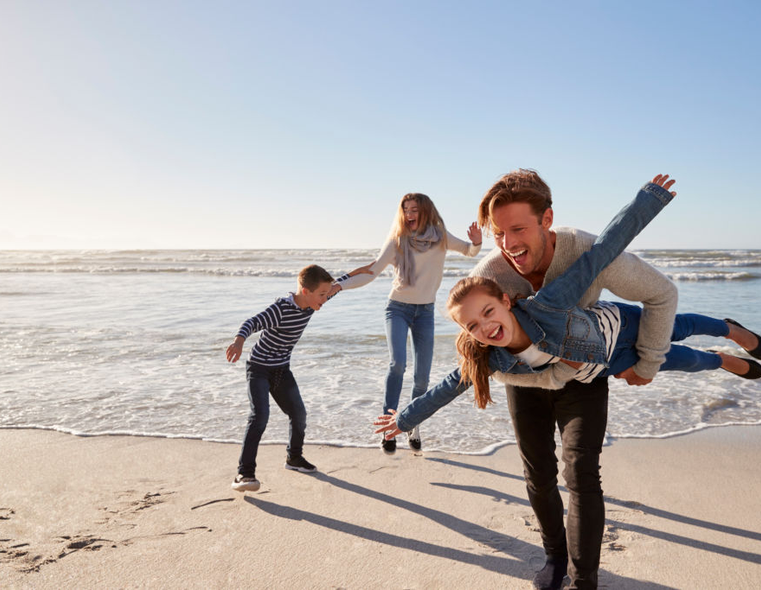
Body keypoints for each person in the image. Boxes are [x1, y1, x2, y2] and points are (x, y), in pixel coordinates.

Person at [379, 171, 706, 590]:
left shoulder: (572, 262)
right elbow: (458, 375)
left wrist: (650, 199)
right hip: (525, 382)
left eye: (518, 229)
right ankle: (554, 557)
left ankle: (584, 578)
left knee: (582, 473)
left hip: (581, 375)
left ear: (546, 219)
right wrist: (405, 418)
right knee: (538, 475)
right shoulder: (490, 278)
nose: (509, 242)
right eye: (499, 233)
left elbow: (617, 253)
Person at [375, 177, 761, 435]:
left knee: (679, 327)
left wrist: (648, 201)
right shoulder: (491, 356)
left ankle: (727, 328)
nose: (485, 327)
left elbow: (601, 254)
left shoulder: (550, 300)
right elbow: (449, 386)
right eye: (473, 327)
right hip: (609, 361)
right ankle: (720, 360)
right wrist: (404, 419)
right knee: (684, 360)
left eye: (488, 313)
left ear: (506, 301)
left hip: (620, 326)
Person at [335, 192, 482, 453]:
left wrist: (477, 242)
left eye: (414, 209)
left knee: (422, 378)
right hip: (398, 309)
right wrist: (339, 286)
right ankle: (387, 427)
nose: (409, 214)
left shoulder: (440, 236)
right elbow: (372, 272)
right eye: (405, 209)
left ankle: (413, 425)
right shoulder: (397, 240)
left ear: (425, 211)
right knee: (398, 364)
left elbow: (469, 251)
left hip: (425, 312)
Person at [225, 264, 360, 492]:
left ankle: (294, 458)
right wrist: (238, 342)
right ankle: (244, 474)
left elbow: (340, 283)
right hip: (258, 368)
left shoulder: (314, 300)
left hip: (281, 370)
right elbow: (251, 322)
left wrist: (367, 269)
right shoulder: (280, 309)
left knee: (298, 414)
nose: (325, 299)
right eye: (322, 294)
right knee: (260, 417)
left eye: (326, 294)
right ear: (306, 291)